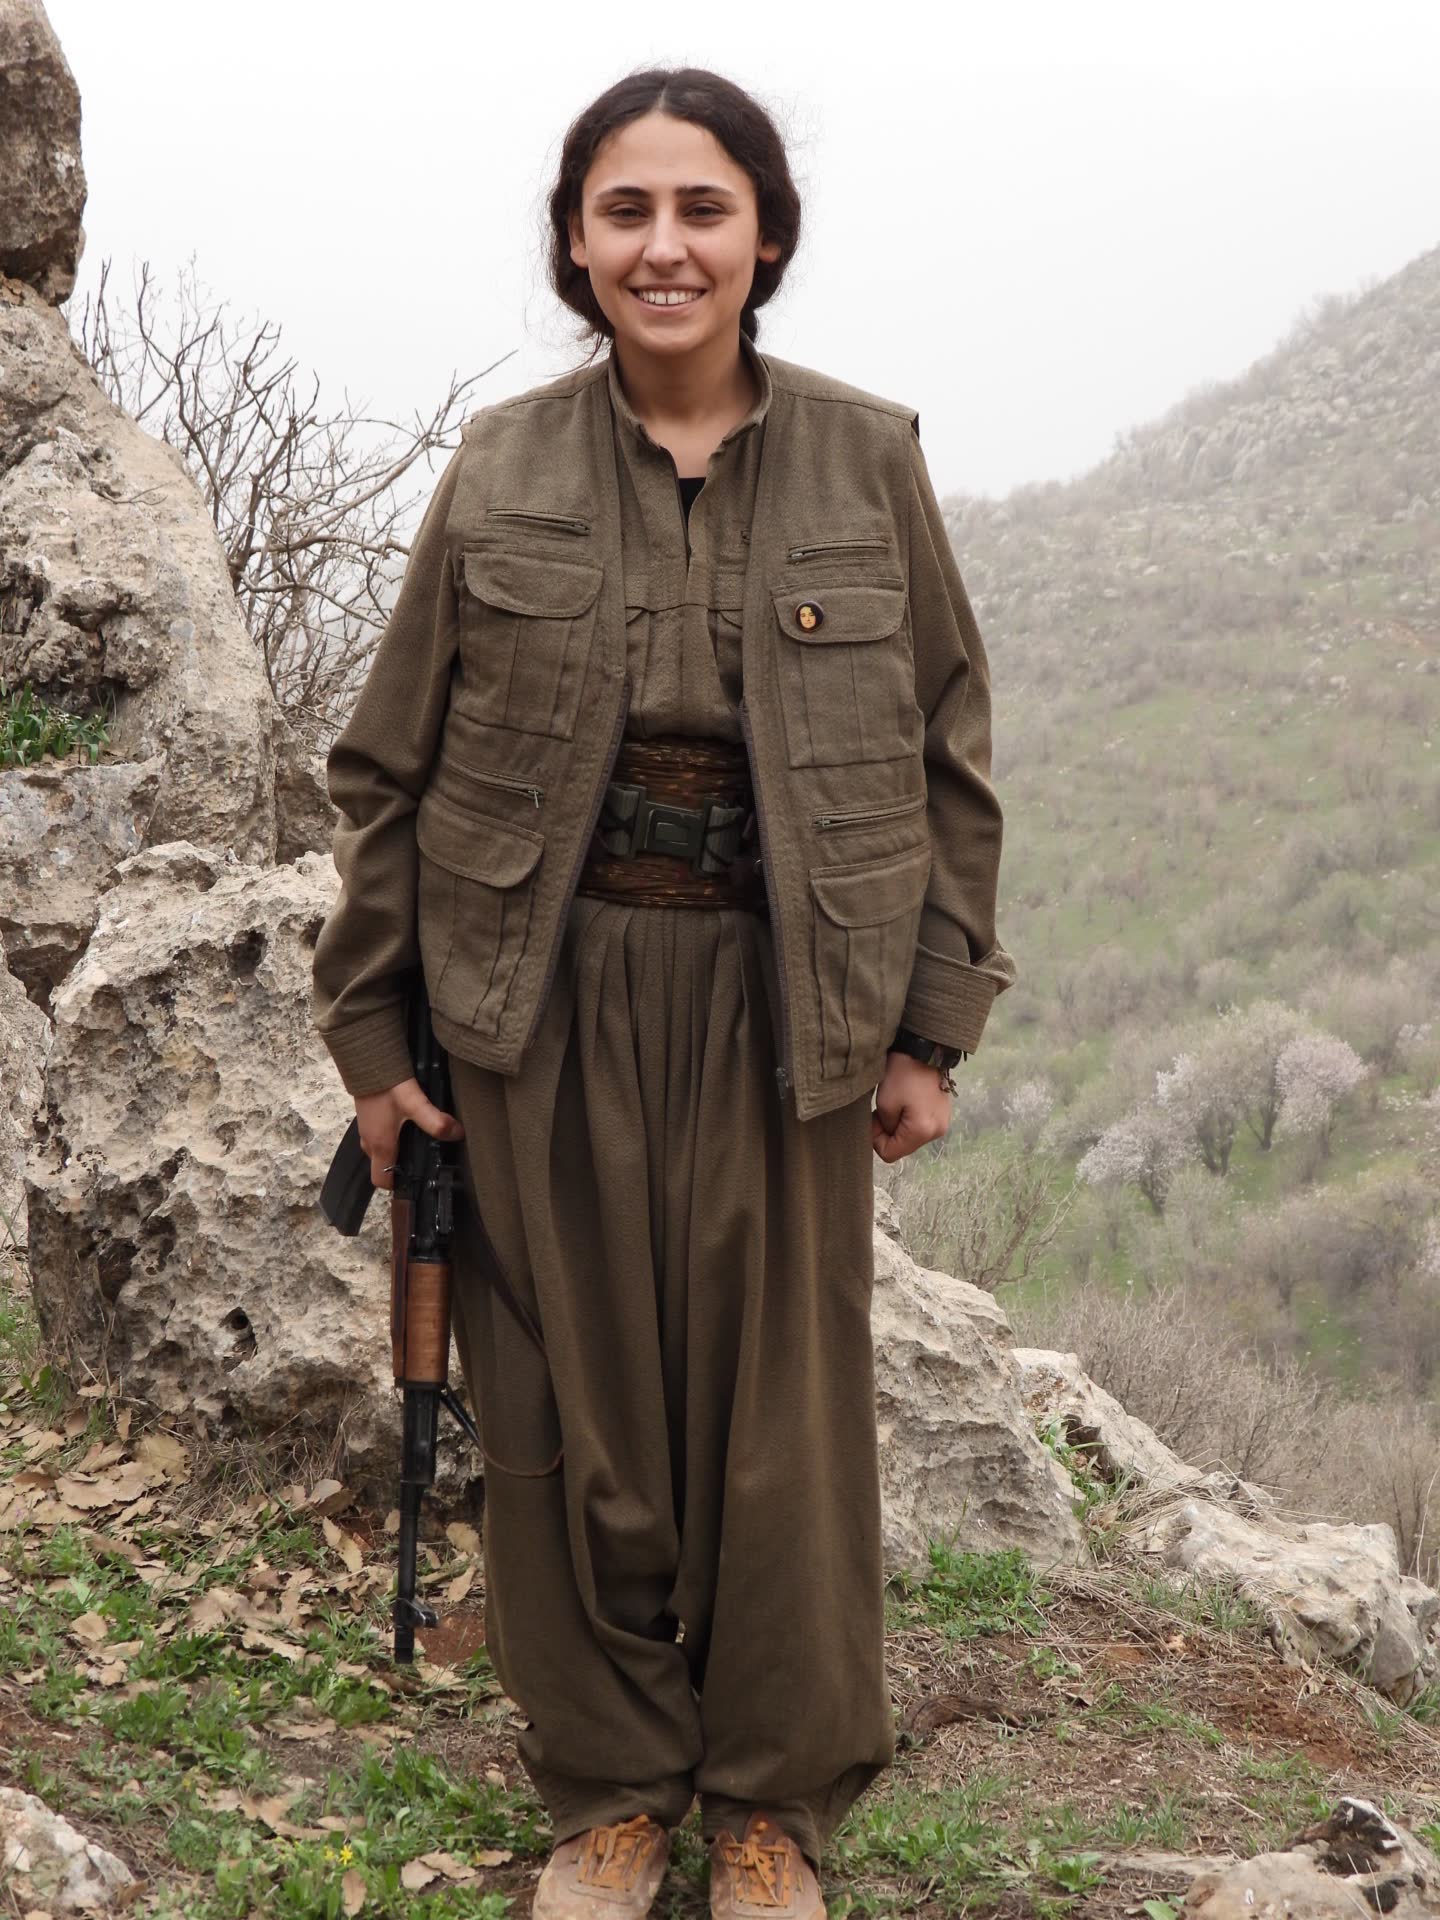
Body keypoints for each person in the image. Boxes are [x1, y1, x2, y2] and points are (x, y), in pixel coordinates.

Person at [311, 65, 1016, 1920]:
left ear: (765, 235)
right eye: (625, 211)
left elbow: (947, 754)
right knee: (566, 1410)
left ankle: (772, 1804)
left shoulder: (868, 458)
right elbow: (389, 768)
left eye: (704, 208)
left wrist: (931, 1023)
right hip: (533, 997)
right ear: (575, 242)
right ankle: (612, 1791)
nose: (665, 246)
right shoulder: (503, 467)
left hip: (791, 1004)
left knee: (782, 1424)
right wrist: (375, 1039)